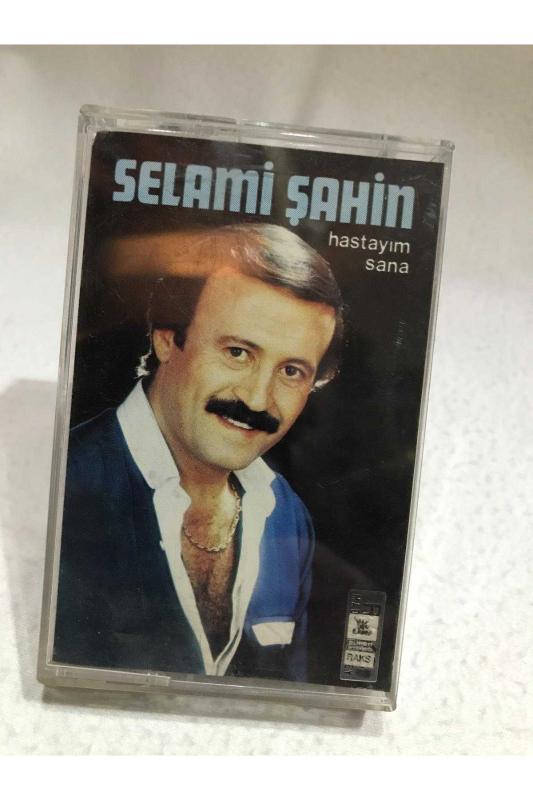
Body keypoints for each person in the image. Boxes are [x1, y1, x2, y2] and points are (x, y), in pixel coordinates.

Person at [54, 224, 344, 682]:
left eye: (291, 371)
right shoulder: (63, 485)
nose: (257, 399)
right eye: (238, 353)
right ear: (167, 338)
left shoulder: (286, 514)